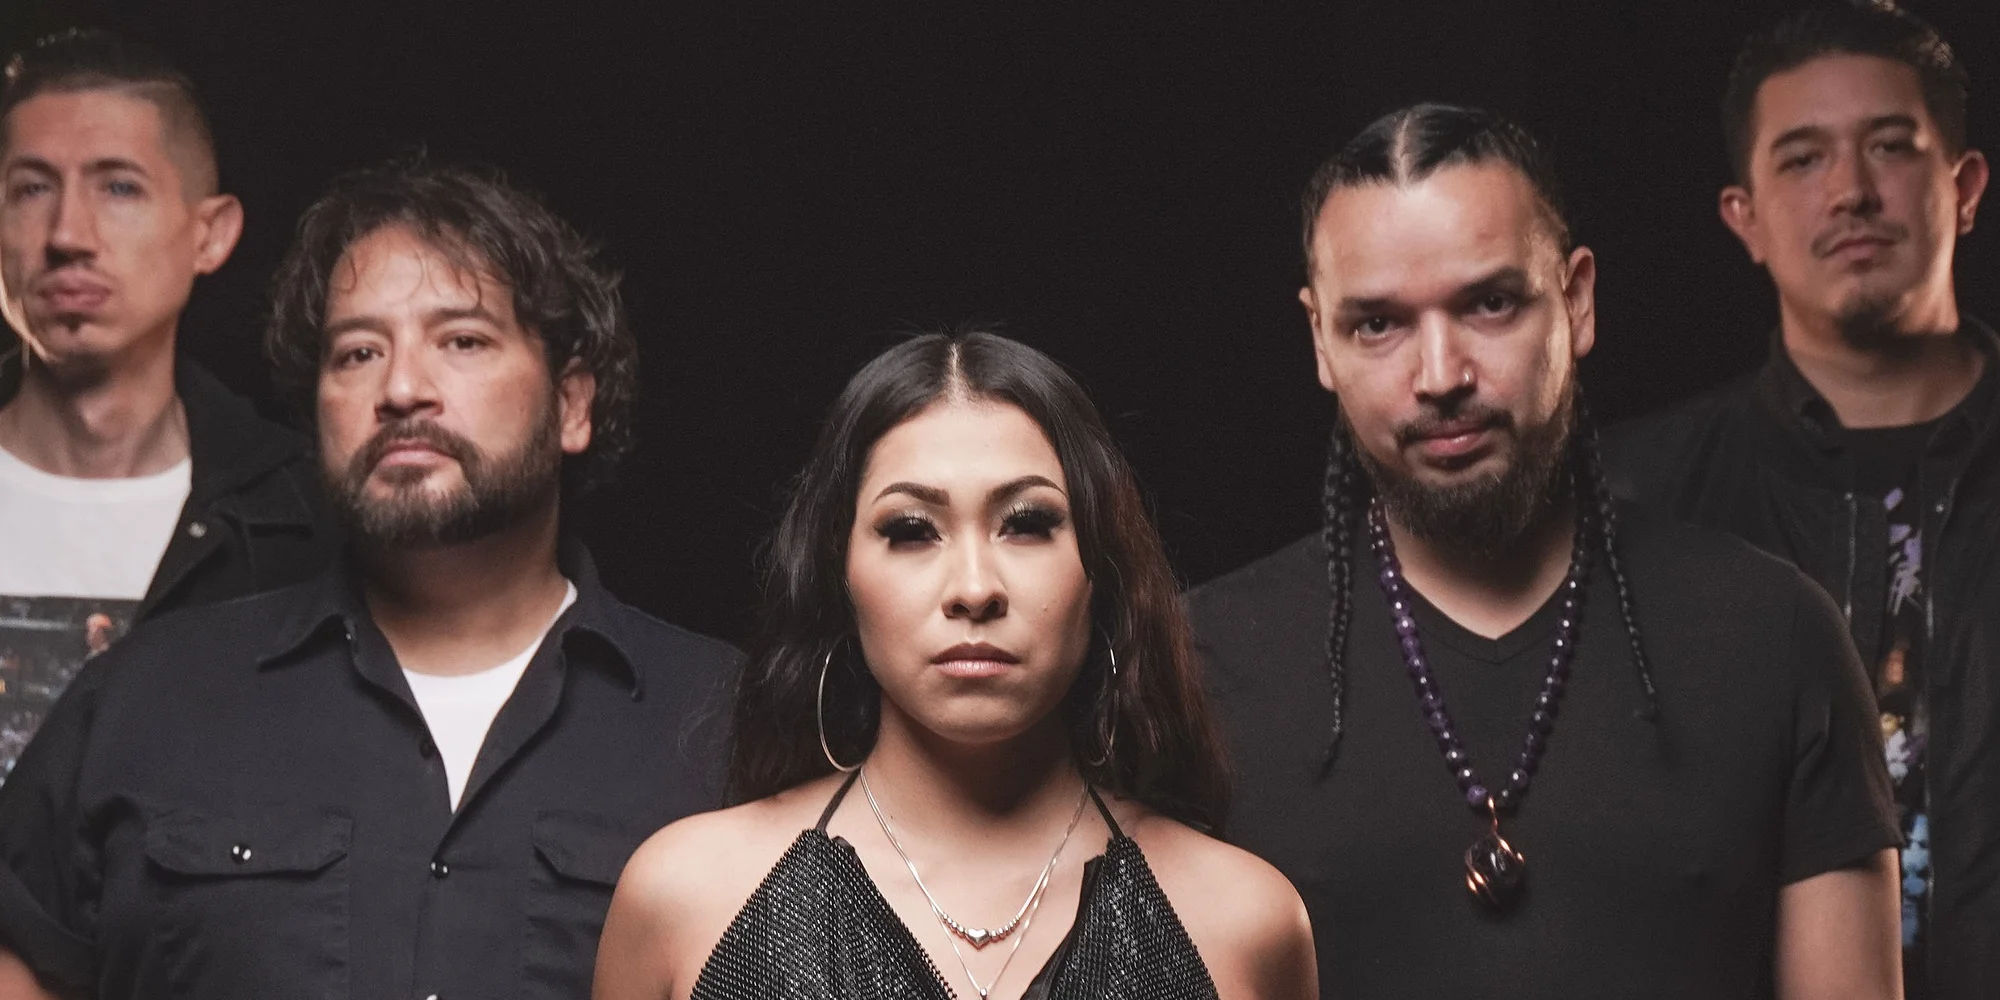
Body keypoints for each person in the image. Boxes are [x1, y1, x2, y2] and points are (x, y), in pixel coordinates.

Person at [1187, 103, 1903, 999]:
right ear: (1320, 340)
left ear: (1577, 300)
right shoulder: (1200, 665)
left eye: (1490, 303)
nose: (1441, 375)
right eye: (1377, 324)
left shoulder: (1776, 635)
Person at [0, 157, 737, 999]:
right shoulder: (148, 697)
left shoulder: (720, 725)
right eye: (357, 352)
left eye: (462, 341)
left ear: (571, 405)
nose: (402, 388)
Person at [595, 330, 1316, 1000]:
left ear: (1100, 569)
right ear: (840, 576)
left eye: (1027, 524)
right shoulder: (687, 902)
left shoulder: (1242, 922)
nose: (974, 589)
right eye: (912, 530)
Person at [1603, 5, 1990, 995]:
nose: (1851, 191)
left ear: (1963, 189)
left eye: (1890, 146)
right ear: (1744, 218)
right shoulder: (1635, 498)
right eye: (1803, 159)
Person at [0, 29, 331, 784]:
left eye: (119, 187)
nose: (67, 235)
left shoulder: (300, 517)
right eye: (31, 188)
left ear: (210, 235)